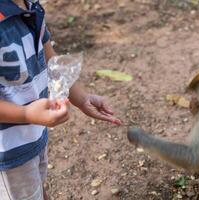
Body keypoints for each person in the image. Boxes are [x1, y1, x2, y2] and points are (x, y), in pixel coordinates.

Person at [0, 0, 122, 199]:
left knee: (35, 187)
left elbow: (49, 57)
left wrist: (81, 98)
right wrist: (26, 114)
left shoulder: (30, 5)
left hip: (34, 134)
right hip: (9, 151)